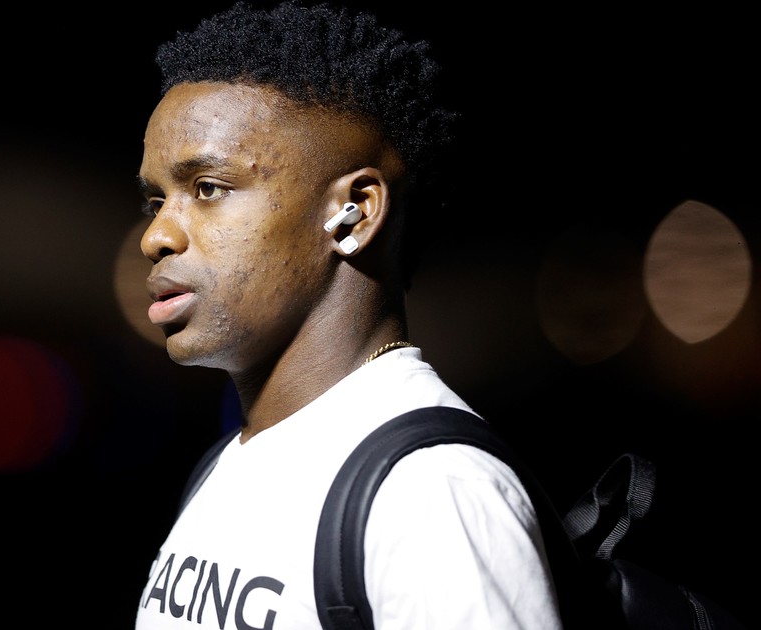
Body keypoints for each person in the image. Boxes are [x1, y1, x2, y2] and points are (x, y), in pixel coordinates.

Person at [133, 2, 571, 628]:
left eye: (208, 188)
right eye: (156, 200)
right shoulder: (229, 463)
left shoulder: (430, 491)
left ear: (354, 214)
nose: (156, 236)